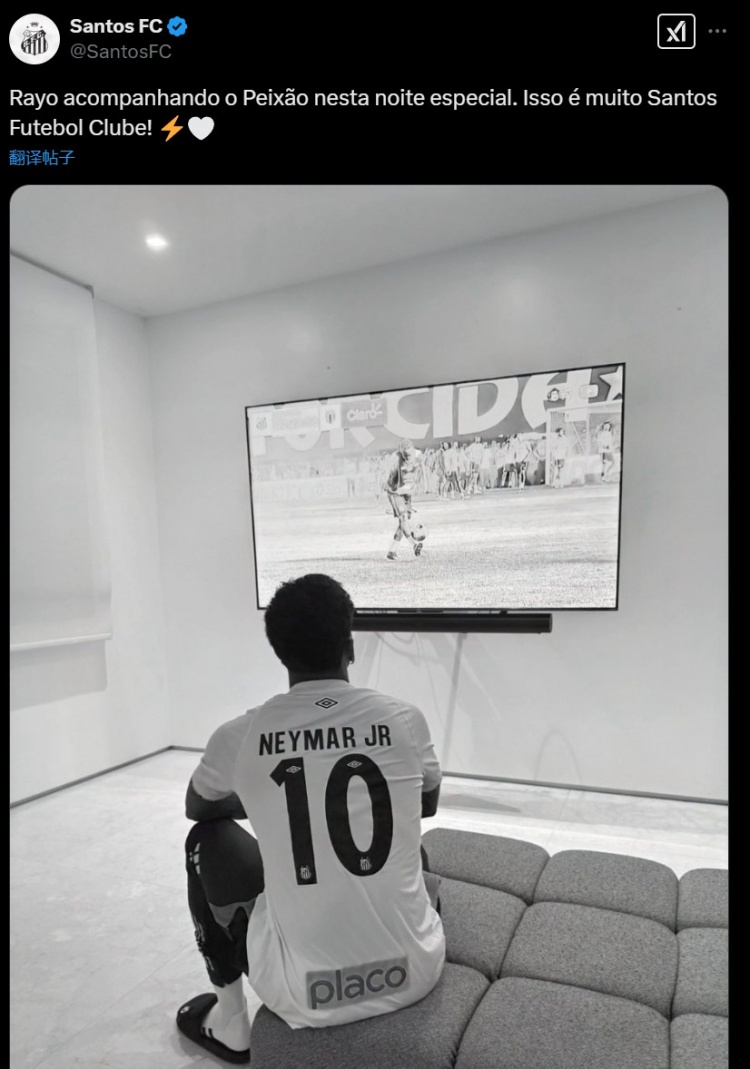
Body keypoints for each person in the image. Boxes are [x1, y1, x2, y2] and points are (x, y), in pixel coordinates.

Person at [177, 574, 445, 1063]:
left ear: (280, 654)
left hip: (304, 993)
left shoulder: (239, 735)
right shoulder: (405, 719)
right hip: (417, 972)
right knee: (405, 836)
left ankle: (232, 1022)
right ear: (350, 647)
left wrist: (263, 802)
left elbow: (198, 807)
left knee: (205, 840)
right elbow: (426, 804)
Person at [384, 438, 425, 560]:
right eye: (405, 455)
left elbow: (421, 468)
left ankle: (392, 551)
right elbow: (388, 482)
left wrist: (423, 482)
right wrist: (392, 504)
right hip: (395, 492)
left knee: (403, 523)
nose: (407, 457)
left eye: (409, 454)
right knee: (403, 519)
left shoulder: (419, 454)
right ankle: (415, 545)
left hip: (407, 493)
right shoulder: (395, 459)